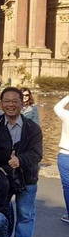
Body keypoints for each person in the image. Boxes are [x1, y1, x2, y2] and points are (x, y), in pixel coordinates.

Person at [0, 87, 43, 237]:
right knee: (1, 212)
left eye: (14, 101)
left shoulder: (32, 128)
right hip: (3, 178)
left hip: (27, 177)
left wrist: (20, 160)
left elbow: (37, 154)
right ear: (1, 103)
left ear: (22, 103)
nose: (10, 105)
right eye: (7, 101)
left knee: (25, 215)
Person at [53, 95, 69, 223]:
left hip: (65, 154)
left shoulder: (67, 115)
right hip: (64, 155)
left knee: (67, 187)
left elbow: (57, 107)